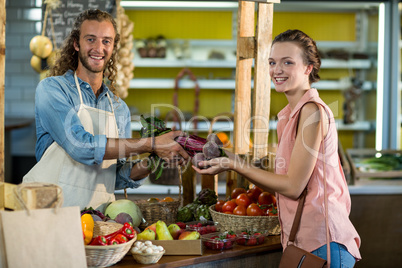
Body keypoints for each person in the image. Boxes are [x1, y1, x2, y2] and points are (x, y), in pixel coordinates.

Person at [194, 29, 361, 267]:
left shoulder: (312, 112)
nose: (277, 70)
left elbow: (293, 187)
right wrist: (226, 157)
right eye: (272, 62)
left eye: (288, 62)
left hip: (324, 245)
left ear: (308, 68)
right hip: (306, 243)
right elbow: (280, 184)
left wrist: (235, 165)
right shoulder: (289, 116)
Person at [23, 9, 189, 212]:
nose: (98, 48)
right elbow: (80, 146)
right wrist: (151, 144)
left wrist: (155, 159)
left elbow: (114, 177)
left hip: (97, 220)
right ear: (76, 44)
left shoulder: (119, 108)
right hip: (48, 212)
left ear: (113, 47)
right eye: (91, 39)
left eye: (106, 41)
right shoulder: (53, 89)